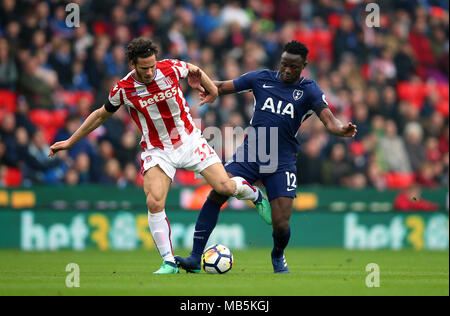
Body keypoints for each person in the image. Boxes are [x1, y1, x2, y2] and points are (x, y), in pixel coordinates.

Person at [48, 37, 271, 274]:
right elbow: (101, 115)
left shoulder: (170, 68)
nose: (150, 71)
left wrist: (213, 91)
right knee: (154, 201)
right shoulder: (123, 89)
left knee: (224, 187)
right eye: (144, 68)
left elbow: (195, 69)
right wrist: (71, 141)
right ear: (133, 64)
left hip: (189, 139)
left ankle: (255, 195)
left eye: (152, 66)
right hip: (157, 149)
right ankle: (169, 261)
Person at [176, 41, 357, 273]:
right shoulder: (261, 78)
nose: (287, 70)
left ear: (304, 65)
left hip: (282, 161)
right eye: (284, 64)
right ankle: (195, 256)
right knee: (219, 190)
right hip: (251, 152)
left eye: (293, 66)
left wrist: (341, 130)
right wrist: (203, 82)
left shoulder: (309, 90)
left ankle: (277, 255)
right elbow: (221, 86)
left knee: (281, 223)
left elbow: (330, 120)